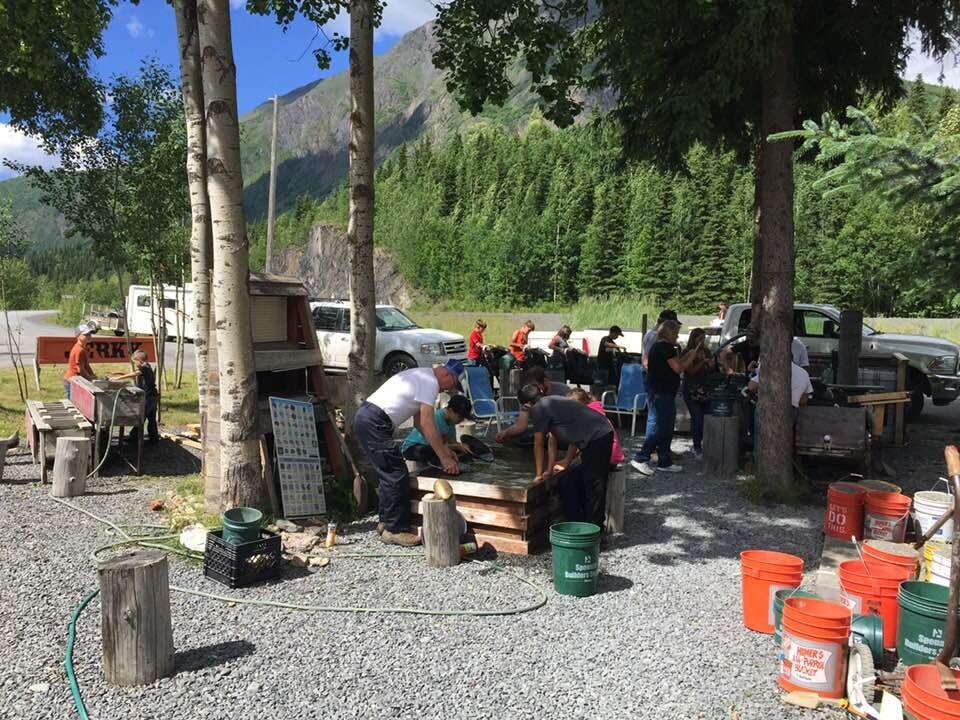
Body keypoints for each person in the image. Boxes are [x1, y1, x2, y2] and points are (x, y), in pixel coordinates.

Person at [354, 359, 464, 546]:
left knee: (389, 472)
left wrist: (444, 449)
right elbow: (428, 423)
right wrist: (444, 458)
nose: (445, 391)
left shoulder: (422, 376)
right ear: (446, 375)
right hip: (374, 421)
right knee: (397, 475)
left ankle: (385, 522)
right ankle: (396, 530)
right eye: (450, 386)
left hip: (368, 417)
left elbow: (419, 423)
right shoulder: (430, 382)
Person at [519, 384, 614, 528]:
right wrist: (551, 469)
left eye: (524, 408)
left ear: (527, 404)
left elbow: (538, 444)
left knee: (595, 486)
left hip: (599, 436)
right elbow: (554, 439)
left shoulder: (539, 409)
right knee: (568, 479)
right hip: (594, 435)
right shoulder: (551, 401)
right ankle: (579, 523)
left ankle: (595, 532)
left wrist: (538, 476)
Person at [632, 320, 704, 475]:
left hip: (664, 392)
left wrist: (690, 355)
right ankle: (640, 457)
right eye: (676, 333)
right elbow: (678, 368)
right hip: (660, 392)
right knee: (662, 427)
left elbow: (677, 364)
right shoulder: (665, 347)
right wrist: (691, 356)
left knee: (667, 427)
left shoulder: (663, 347)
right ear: (669, 332)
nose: (677, 336)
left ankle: (664, 461)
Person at [495, 365, 569, 445]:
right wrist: (505, 433)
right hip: (542, 431)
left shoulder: (562, 390)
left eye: (535, 385)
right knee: (511, 441)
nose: (534, 389)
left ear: (545, 381)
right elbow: (521, 426)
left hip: (562, 430)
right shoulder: (529, 394)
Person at [641, 310, 681, 439]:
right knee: (655, 416)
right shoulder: (654, 336)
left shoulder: (653, 335)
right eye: (672, 326)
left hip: (656, 380)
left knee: (659, 416)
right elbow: (646, 361)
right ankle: (651, 448)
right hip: (655, 382)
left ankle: (661, 447)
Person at [401, 394, 475, 463]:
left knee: (459, 452)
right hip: (413, 447)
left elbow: (452, 442)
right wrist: (456, 446)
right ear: (450, 410)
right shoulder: (437, 418)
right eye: (460, 417)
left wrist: (462, 446)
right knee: (435, 453)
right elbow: (436, 445)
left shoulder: (451, 421)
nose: (461, 420)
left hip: (432, 447)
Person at [110, 350, 159, 444]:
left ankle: (135, 437)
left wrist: (117, 378)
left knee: (140, 417)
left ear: (139, 360)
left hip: (149, 397)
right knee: (151, 418)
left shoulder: (145, 367)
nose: (135, 364)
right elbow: (134, 372)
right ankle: (154, 438)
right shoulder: (146, 367)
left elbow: (134, 374)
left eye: (135, 362)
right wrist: (118, 373)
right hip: (153, 396)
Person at [568, 387, 625, 465]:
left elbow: (578, 440)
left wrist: (568, 459)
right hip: (614, 456)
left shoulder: (586, 415)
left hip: (606, 458)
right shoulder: (596, 409)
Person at [680, 328, 712, 455]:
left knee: (707, 417)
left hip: (705, 388)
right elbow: (690, 371)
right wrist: (702, 361)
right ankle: (697, 446)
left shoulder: (707, 351)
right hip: (691, 389)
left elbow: (711, 369)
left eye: (704, 338)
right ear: (693, 339)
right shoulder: (687, 352)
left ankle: (706, 443)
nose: (702, 341)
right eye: (700, 339)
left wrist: (710, 364)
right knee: (697, 418)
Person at [747, 361, 814, 419]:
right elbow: (803, 400)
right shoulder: (804, 373)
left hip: (770, 408)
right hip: (791, 411)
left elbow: (752, 387)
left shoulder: (772, 367)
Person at [63, 324, 97, 399]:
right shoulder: (79, 350)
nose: (89, 336)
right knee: (74, 403)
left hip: (76, 380)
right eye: (86, 334)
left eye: (89, 334)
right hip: (72, 380)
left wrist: (93, 375)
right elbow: (80, 369)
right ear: (78, 336)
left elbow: (86, 366)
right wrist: (90, 379)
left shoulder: (83, 348)